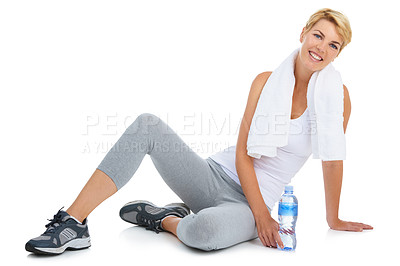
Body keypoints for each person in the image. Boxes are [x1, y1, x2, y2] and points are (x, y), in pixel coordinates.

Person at [25, 8, 373, 255]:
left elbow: (332, 159)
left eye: (333, 45)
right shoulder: (265, 83)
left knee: (203, 234)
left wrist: (332, 218)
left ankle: (166, 220)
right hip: (213, 176)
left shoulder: (337, 99)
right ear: (303, 34)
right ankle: (74, 222)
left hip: (252, 207)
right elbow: (242, 154)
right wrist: (264, 216)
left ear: (338, 55)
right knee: (147, 124)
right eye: (318, 35)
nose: (321, 48)